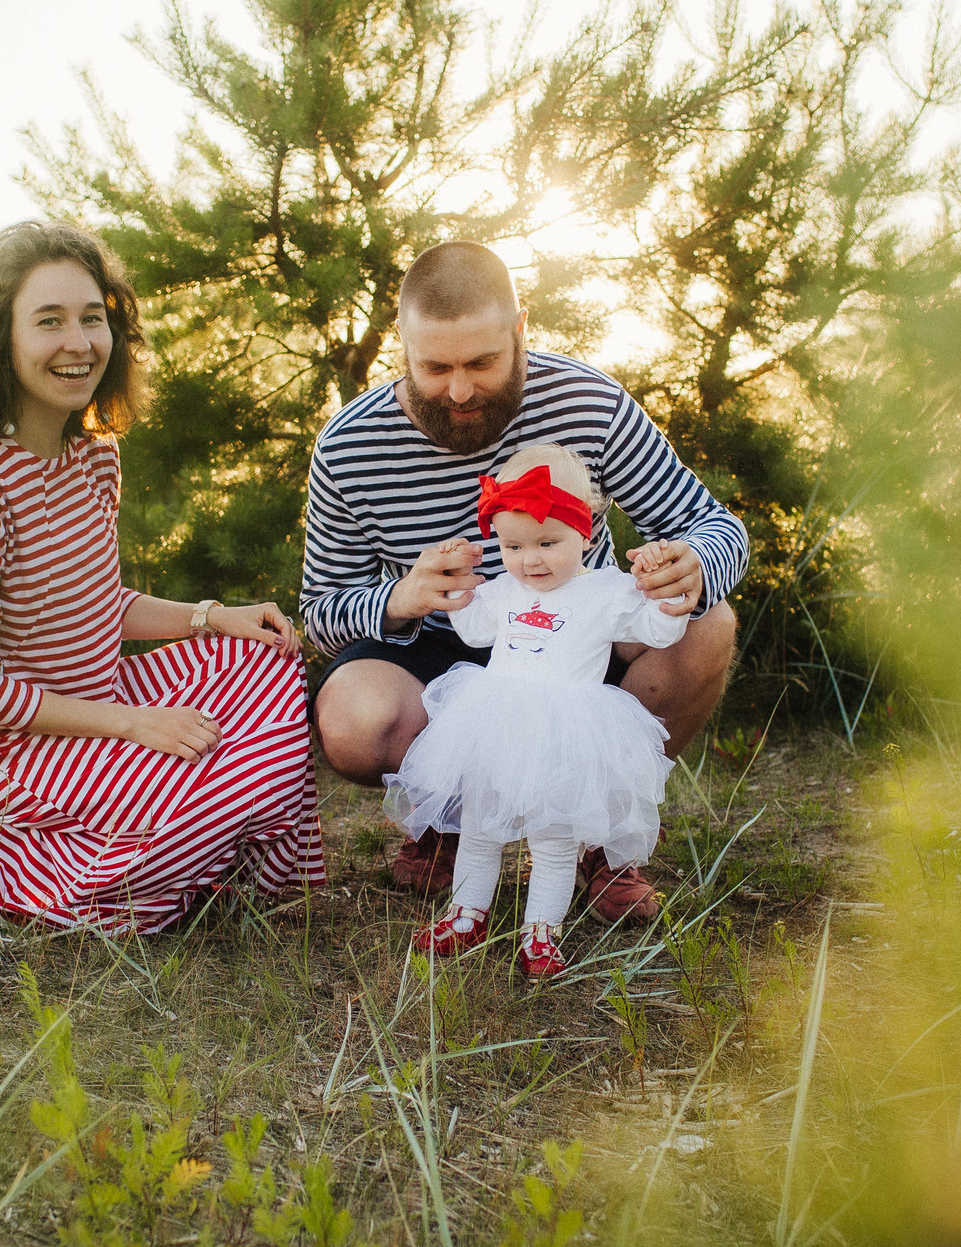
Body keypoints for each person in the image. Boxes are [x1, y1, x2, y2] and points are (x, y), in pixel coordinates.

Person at [305, 240, 746, 920]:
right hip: (438, 645)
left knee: (709, 624)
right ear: (402, 345)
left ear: (520, 331)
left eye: (481, 362)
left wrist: (696, 565)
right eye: (435, 366)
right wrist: (403, 596)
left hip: (576, 643)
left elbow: (712, 523)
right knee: (352, 715)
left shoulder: (589, 401)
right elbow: (320, 610)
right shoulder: (348, 445)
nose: (458, 389)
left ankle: (599, 839)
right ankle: (447, 820)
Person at [0, 221, 322, 933]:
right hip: (2, 749)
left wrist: (212, 616)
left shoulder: (96, 459)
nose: (79, 342)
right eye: (49, 321)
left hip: (95, 699)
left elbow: (98, 605)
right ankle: (0, 853)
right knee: (196, 798)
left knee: (269, 661)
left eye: (93, 318)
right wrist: (134, 725)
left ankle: (221, 866)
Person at [383, 444, 688, 976]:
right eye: (514, 545)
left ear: (584, 533)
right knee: (480, 827)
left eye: (549, 542)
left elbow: (657, 630)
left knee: (553, 840)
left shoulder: (608, 591)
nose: (531, 559)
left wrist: (660, 590)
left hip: (567, 735)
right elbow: (475, 630)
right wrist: (457, 584)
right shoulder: (503, 590)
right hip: (497, 726)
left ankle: (541, 932)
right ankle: (466, 914)